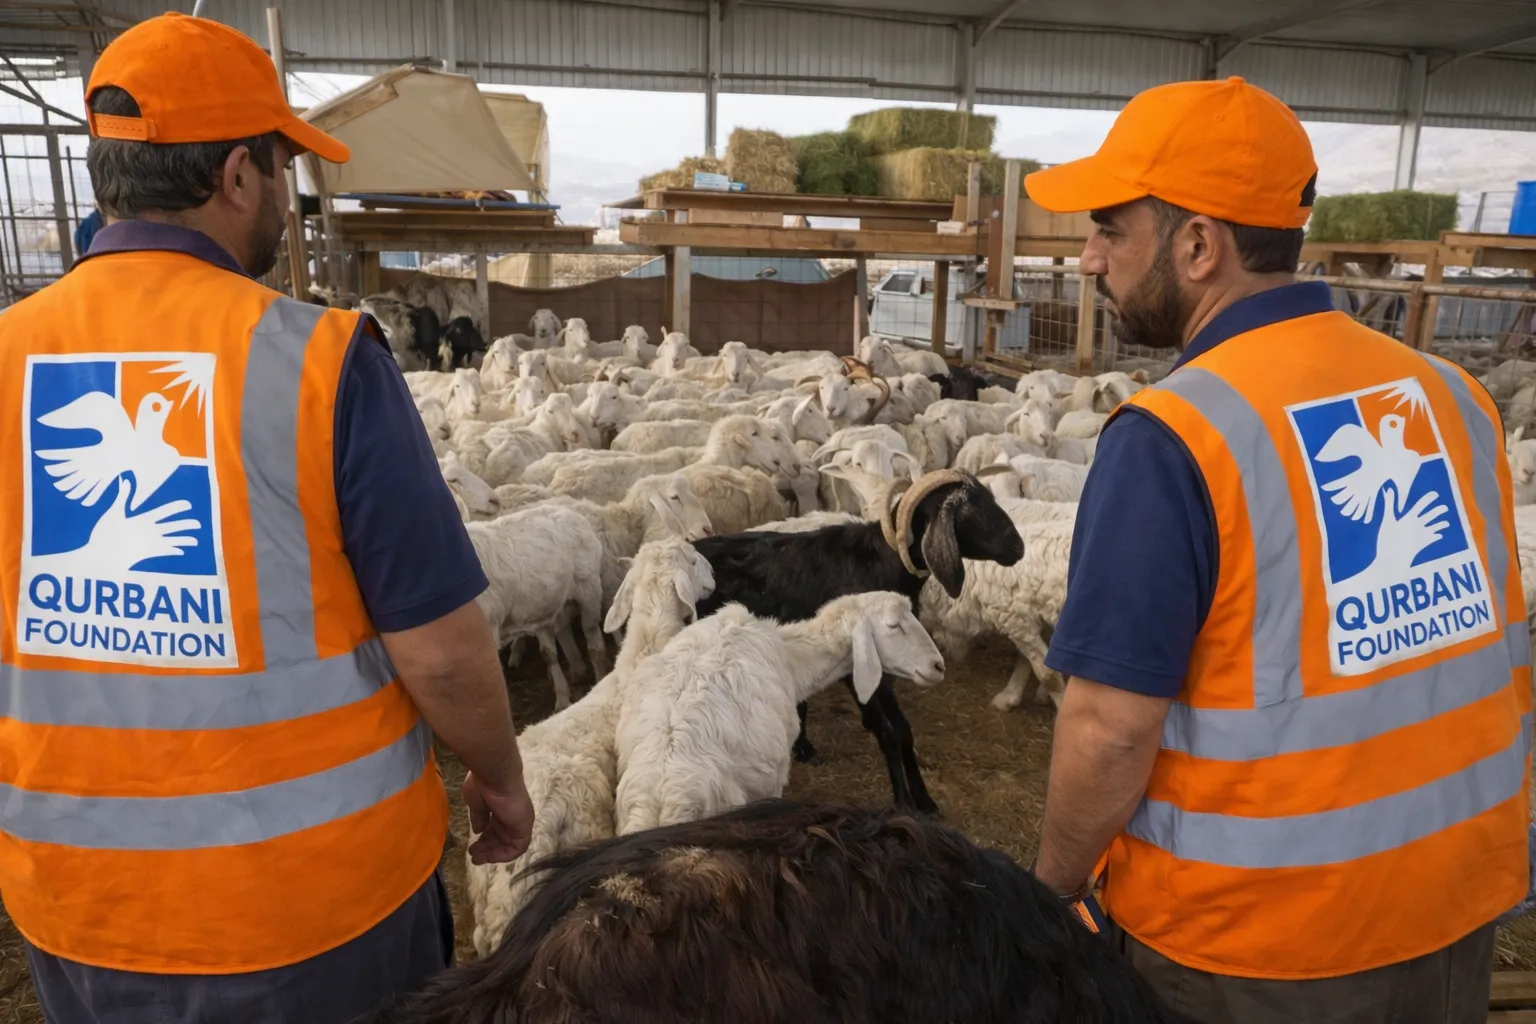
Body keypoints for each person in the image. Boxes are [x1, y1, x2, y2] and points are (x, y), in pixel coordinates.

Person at [0, 13, 534, 1023]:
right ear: (238, 174)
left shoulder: (7, 355)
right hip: (313, 916)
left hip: (75, 904)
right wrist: (500, 776)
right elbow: (445, 653)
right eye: (284, 168)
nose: (286, 197)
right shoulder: (321, 361)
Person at [1025, 77, 1531, 1023]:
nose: (1090, 258)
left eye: (1109, 228)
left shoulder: (1175, 435)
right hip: (1459, 906)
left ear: (1198, 245)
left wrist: (1048, 895)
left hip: (1259, 951)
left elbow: (1109, 725)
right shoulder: (1452, 397)